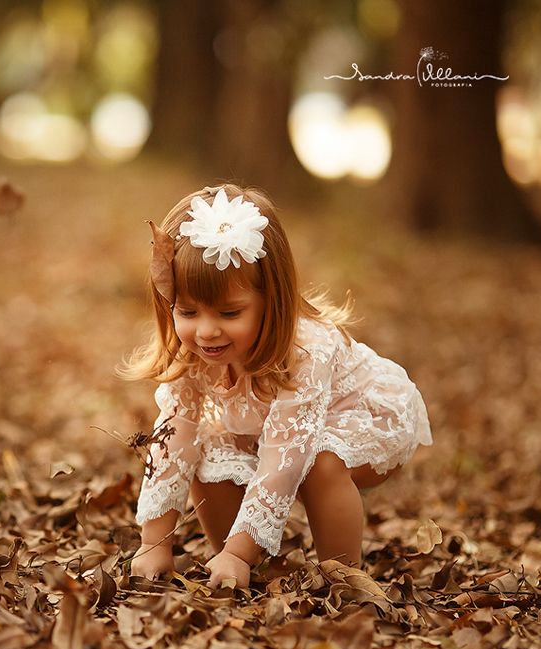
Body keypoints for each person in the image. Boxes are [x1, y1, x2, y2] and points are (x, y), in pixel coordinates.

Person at [123, 183, 432, 588]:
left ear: (273, 300)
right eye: (188, 311)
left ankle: (342, 576)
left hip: (355, 416)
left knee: (319, 464)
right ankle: (240, 564)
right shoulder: (196, 354)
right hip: (272, 427)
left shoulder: (306, 352)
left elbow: (286, 457)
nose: (207, 330)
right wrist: (153, 543)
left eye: (230, 312)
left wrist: (241, 549)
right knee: (206, 454)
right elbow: (174, 441)